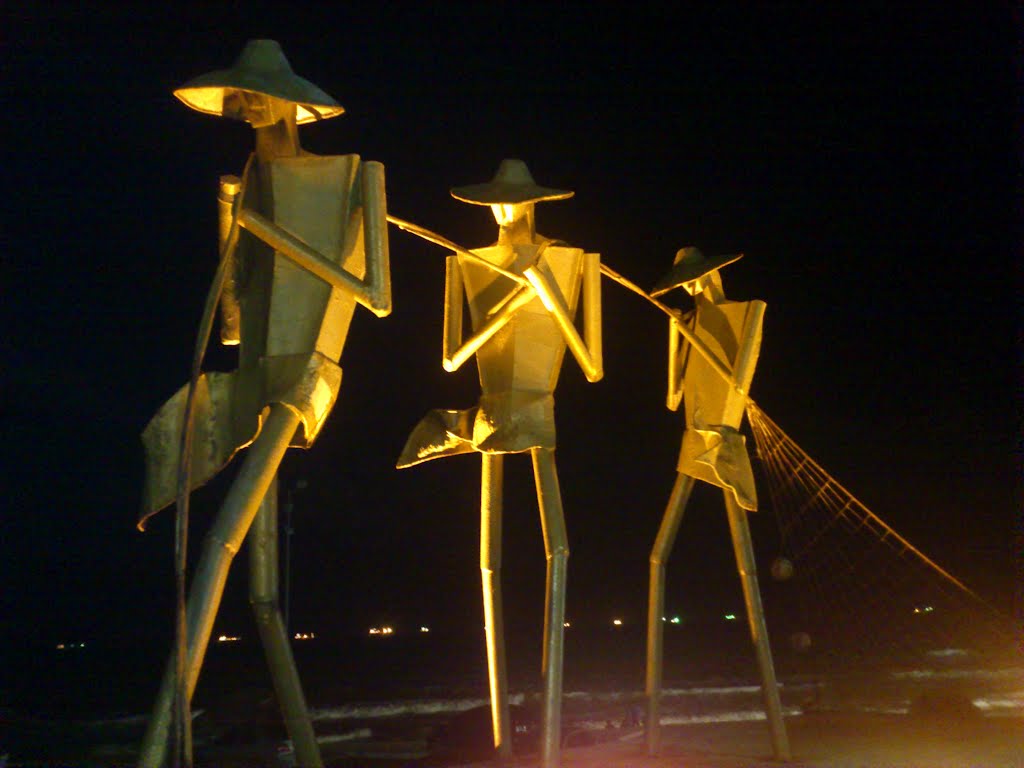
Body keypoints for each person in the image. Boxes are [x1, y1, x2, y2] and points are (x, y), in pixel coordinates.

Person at [138, 40, 391, 768]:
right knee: (258, 590)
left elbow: (374, 298)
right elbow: (234, 326)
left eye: (257, 92)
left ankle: (154, 751)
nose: (246, 104)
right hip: (251, 374)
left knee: (218, 542)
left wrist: (260, 229)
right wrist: (231, 221)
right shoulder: (246, 180)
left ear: (290, 100)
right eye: (239, 95)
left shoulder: (350, 175)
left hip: (306, 372)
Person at [397, 159, 602, 768]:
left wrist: (544, 290)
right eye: (497, 203)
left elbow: (590, 364)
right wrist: (512, 308)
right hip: (491, 410)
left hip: (540, 407)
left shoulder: (574, 263)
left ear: (535, 203)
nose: (505, 212)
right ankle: (504, 741)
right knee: (489, 561)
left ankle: (547, 740)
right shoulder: (466, 262)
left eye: (515, 202)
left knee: (556, 547)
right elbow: (453, 361)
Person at [643, 247, 789, 760]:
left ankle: (778, 732)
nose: (690, 289)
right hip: (691, 438)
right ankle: (653, 730)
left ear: (711, 276)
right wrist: (676, 336)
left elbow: (737, 380)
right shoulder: (686, 319)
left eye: (694, 281)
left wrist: (695, 340)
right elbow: (672, 397)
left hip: (722, 437)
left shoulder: (746, 312)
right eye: (684, 284)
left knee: (745, 565)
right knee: (658, 554)